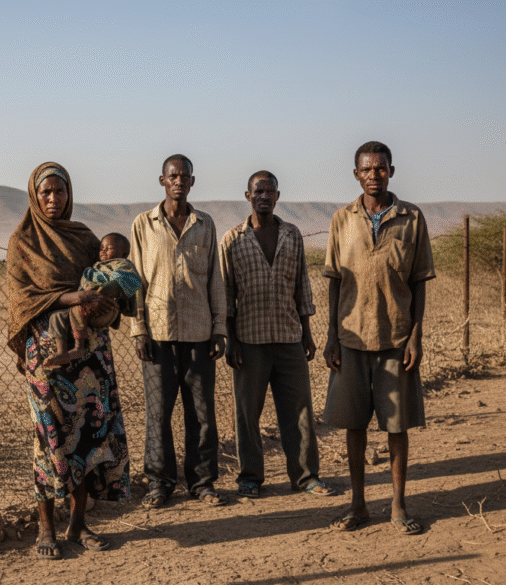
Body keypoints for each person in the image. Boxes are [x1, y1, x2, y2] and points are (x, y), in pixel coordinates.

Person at [6, 162, 131, 560]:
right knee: (49, 438)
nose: (53, 199)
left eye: (60, 192)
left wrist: (109, 296)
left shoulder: (83, 237)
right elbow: (23, 300)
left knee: (89, 437)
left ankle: (78, 525)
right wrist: (73, 298)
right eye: (46, 193)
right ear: (34, 195)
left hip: (91, 353)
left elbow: (107, 277)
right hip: (46, 354)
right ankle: (46, 528)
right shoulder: (23, 241)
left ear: (69, 193)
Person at [322, 141, 435, 535]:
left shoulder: (411, 218)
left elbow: (420, 283)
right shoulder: (342, 219)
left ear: (391, 170)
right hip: (352, 339)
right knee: (354, 425)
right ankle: (357, 505)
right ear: (356, 174)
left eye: (380, 168)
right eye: (366, 169)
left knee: (396, 426)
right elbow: (334, 281)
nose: (374, 175)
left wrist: (416, 337)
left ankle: (399, 505)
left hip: (396, 338)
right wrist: (332, 336)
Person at [220, 170, 336, 499]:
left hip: (289, 337)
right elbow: (226, 295)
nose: (264, 197)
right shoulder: (232, 240)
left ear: (277, 196)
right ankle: (251, 478)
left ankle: (305, 477)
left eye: (270, 191)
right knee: (247, 414)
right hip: (249, 340)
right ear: (248, 196)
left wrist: (307, 334)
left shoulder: (292, 235)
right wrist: (231, 339)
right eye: (258, 192)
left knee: (298, 411)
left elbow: (302, 287)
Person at [130, 154, 228, 509]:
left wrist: (220, 328)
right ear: (162, 180)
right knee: (158, 414)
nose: (178, 181)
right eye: (173, 176)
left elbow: (215, 278)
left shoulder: (205, 224)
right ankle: (159, 483)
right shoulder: (143, 224)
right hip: (157, 334)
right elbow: (134, 281)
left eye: (184, 176)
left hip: (199, 333)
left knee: (201, 414)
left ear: (192, 182)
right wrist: (138, 328)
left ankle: (202, 482)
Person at [44, 232, 141, 367]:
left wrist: (102, 292)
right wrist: (84, 293)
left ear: (124, 253)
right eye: (101, 248)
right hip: (87, 303)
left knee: (77, 309)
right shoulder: (95, 268)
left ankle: (79, 348)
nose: (103, 251)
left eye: (109, 248)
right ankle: (61, 352)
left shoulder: (122, 264)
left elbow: (126, 280)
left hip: (106, 306)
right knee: (57, 316)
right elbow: (83, 287)